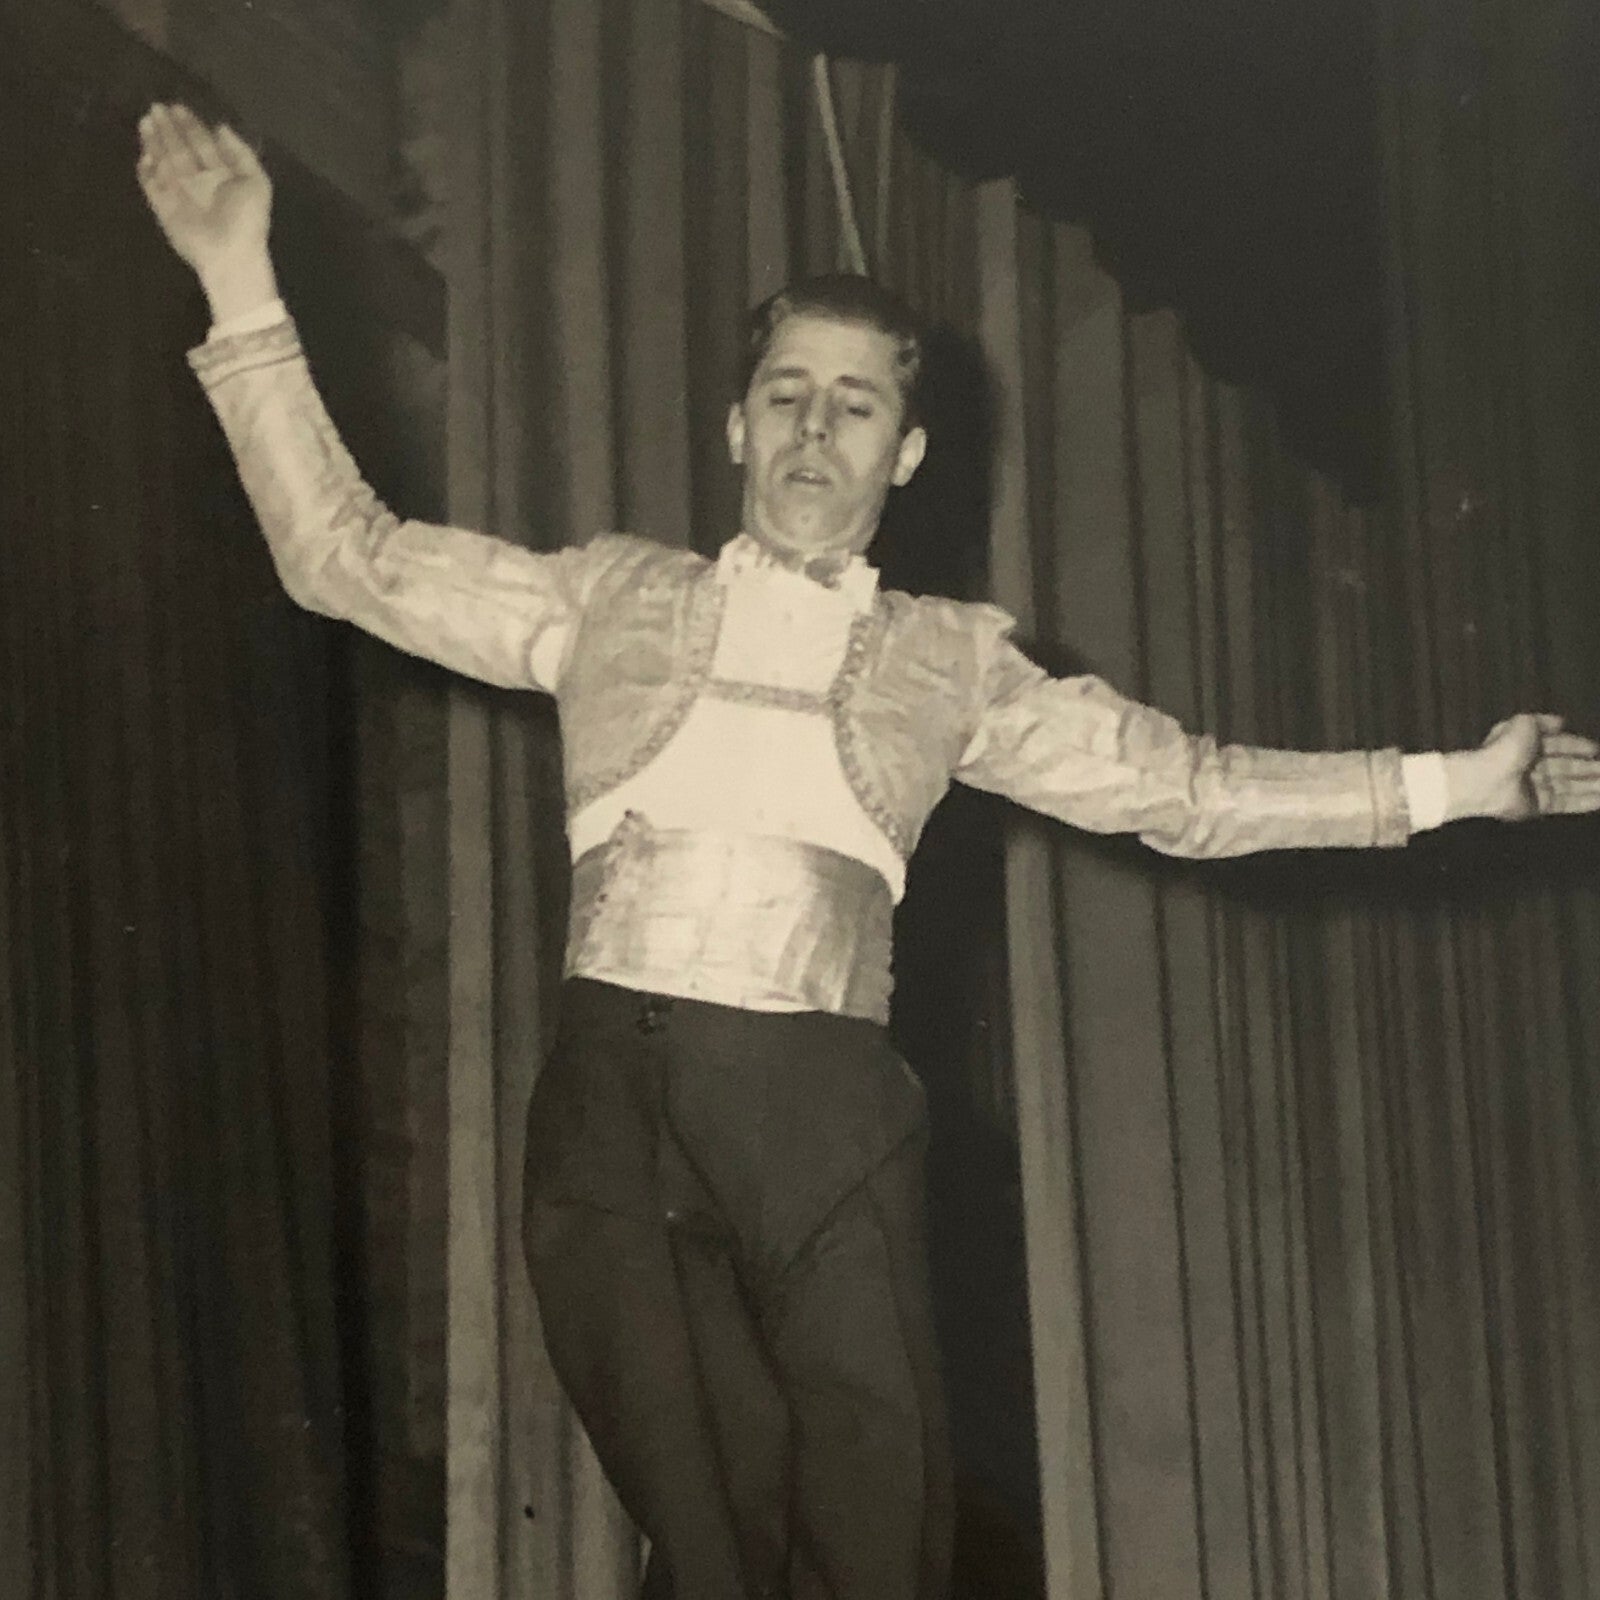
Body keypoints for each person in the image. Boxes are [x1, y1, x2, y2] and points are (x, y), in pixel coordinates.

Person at [136, 103, 1600, 1600]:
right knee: (706, 1549)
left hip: (816, 1112)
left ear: (903, 453)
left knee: (871, 1534)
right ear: (736, 428)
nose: (811, 433)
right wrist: (239, 277)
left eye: (851, 406)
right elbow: (348, 560)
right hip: (606, 1109)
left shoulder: (952, 661)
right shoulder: (608, 598)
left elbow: (1189, 789)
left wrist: (1449, 786)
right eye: (784, 397)